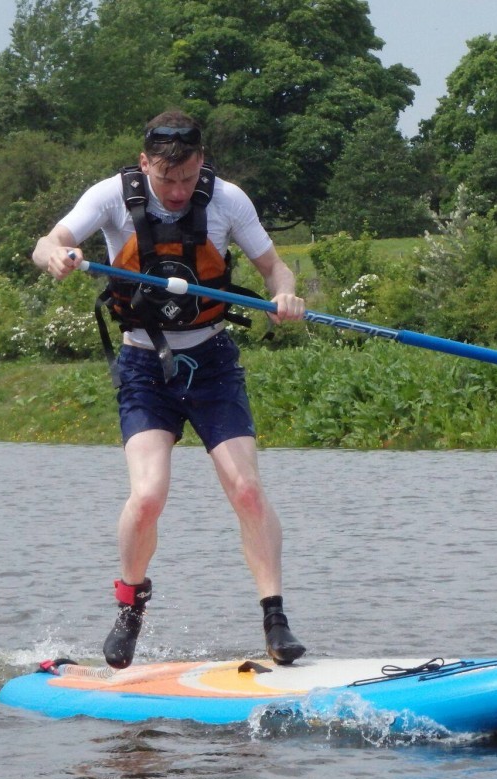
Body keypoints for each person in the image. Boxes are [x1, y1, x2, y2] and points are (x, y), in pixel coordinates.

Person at [32, 110, 308, 669]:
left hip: (211, 362)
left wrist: (285, 296)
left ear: (201, 164)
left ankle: (274, 619)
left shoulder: (228, 200)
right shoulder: (111, 196)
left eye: (187, 179)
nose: (178, 192)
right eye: (166, 180)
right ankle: (131, 608)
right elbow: (48, 241)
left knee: (247, 491)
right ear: (144, 165)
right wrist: (57, 257)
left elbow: (276, 269)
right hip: (143, 365)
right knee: (149, 494)